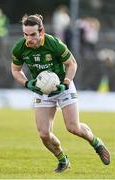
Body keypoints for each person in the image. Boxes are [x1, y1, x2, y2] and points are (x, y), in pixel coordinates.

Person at [11, 14, 110, 173]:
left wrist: (65, 84)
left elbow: (72, 64)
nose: (29, 39)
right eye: (26, 34)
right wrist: (27, 83)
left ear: (41, 31)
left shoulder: (54, 43)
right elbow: (15, 70)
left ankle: (96, 143)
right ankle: (63, 160)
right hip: (42, 89)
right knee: (44, 134)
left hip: (63, 86)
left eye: (33, 34)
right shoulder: (19, 48)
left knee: (73, 127)